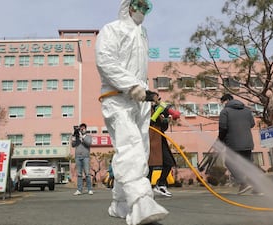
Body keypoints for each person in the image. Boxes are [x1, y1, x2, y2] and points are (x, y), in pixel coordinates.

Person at [95, 0, 169, 224]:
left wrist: (145, 92)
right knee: (131, 148)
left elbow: (138, 69)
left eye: (147, 8)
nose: (143, 11)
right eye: (139, 5)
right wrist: (131, 86)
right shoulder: (112, 29)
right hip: (117, 99)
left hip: (139, 102)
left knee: (138, 151)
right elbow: (105, 61)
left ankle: (119, 204)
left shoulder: (142, 34)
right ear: (128, 5)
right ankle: (141, 202)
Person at [218, 93, 257, 195]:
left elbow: (223, 128)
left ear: (226, 101)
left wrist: (220, 140)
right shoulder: (247, 110)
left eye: (223, 102)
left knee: (229, 162)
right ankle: (258, 187)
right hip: (247, 142)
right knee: (248, 164)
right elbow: (252, 124)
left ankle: (243, 183)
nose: (223, 104)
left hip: (232, 143)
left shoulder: (225, 111)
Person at [148, 104, 177, 197]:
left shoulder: (158, 111)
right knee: (149, 165)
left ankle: (161, 184)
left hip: (160, 140)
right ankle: (146, 189)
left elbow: (163, 127)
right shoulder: (145, 110)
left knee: (169, 162)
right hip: (149, 140)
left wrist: (166, 117)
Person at [72, 123, 93, 195]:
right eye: (81, 128)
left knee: (87, 173)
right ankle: (79, 190)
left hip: (85, 157)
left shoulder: (88, 137)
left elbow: (89, 144)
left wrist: (82, 138)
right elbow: (73, 145)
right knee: (79, 174)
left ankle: (89, 189)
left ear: (86, 129)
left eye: (83, 128)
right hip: (78, 156)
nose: (82, 129)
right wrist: (74, 137)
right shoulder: (77, 137)